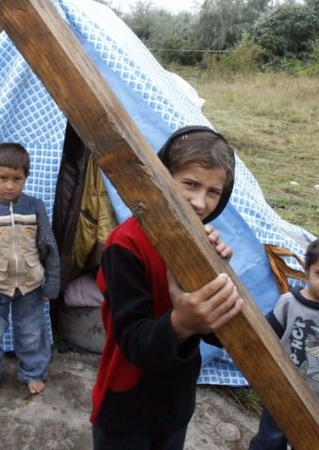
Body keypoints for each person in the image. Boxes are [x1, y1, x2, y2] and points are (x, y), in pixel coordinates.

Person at [90, 125, 244, 450]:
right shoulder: (126, 244)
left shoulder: (203, 243)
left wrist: (221, 275)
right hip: (126, 406)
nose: (200, 202)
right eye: (190, 184)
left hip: (176, 405)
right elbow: (132, 341)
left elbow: (218, 333)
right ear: (162, 176)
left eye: (213, 192)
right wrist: (181, 323)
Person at [249, 232, 319, 450]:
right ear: (307, 270)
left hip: (318, 400)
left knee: (308, 441)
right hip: (281, 392)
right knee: (270, 439)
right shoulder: (288, 304)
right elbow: (266, 339)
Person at [0, 142, 60, 398]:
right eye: (2, 178)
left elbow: (49, 247)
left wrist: (51, 283)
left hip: (30, 286)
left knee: (31, 333)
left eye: (17, 179)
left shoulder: (35, 207)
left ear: (26, 177)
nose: (9, 185)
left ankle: (32, 372)